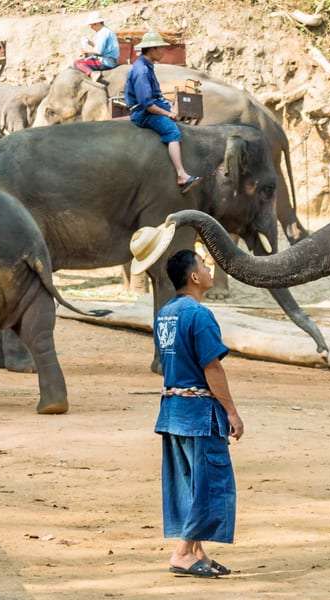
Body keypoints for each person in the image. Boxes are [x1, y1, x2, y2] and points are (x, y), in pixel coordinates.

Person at [150, 248, 245, 578]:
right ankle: (181, 554)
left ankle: (197, 552)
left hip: (172, 411)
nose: (208, 270)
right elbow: (212, 366)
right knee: (211, 485)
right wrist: (231, 412)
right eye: (204, 265)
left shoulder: (165, 313)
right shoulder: (199, 315)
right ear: (193, 277)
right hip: (199, 415)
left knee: (189, 485)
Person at [124, 31, 200, 192]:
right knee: (172, 131)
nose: (163, 51)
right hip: (143, 113)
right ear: (151, 49)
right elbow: (146, 104)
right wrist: (167, 113)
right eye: (161, 48)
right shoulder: (141, 71)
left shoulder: (147, 65)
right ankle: (181, 175)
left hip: (151, 106)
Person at [74, 12, 119, 83]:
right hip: (110, 60)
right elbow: (101, 48)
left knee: (78, 63)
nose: (91, 27)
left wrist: (86, 52)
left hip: (106, 62)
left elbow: (99, 52)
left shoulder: (103, 34)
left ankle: (93, 74)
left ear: (97, 23)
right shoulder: (106, 31)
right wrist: (89, 42)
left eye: (91, 25)